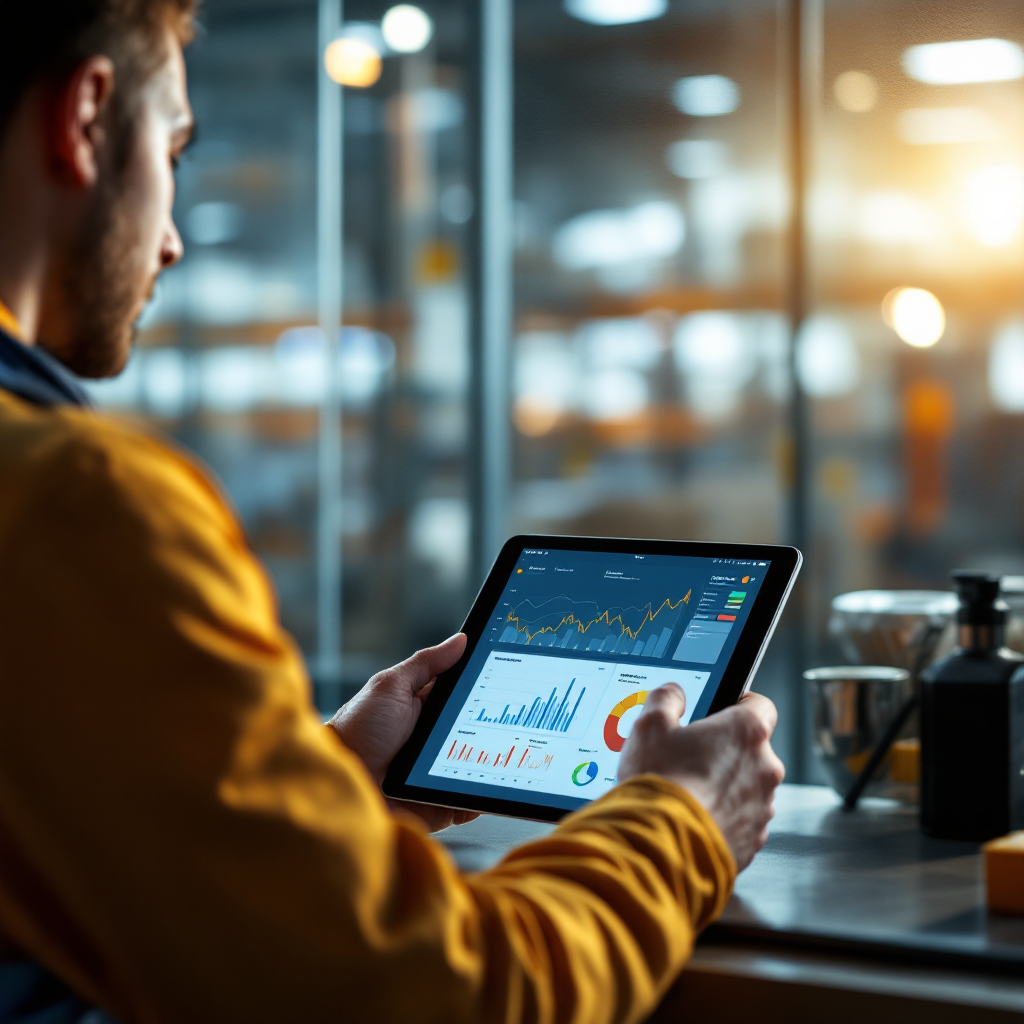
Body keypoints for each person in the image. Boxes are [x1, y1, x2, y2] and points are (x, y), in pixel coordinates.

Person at [0, 3, 785, 1022]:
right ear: (88, 117)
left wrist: (323, 788)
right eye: (175, 153)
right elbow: (426, 996)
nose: (174, 241)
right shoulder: (73, 504)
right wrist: (679, 820)